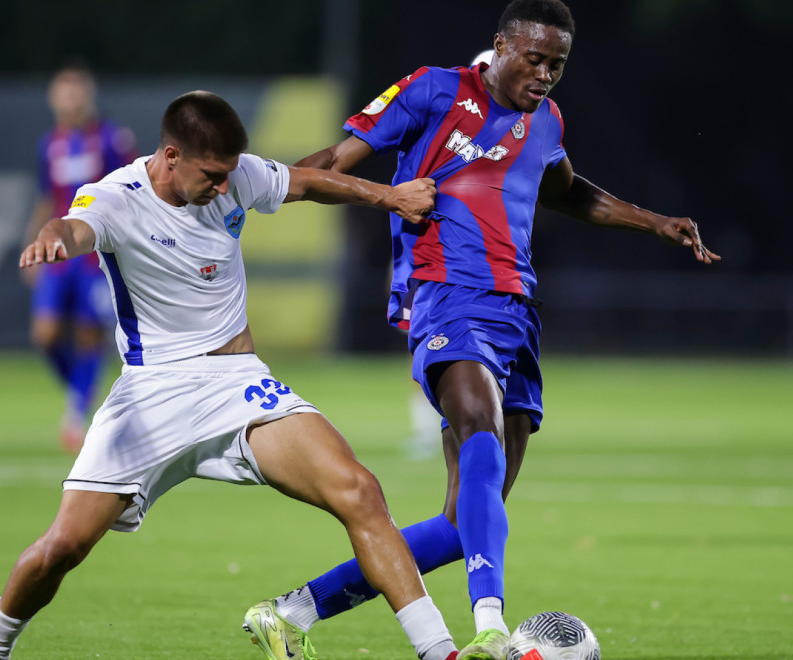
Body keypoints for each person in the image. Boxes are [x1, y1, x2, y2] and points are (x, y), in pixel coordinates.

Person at [248, 1, 721, 659]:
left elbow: (568, 192)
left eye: (557, 65)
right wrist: (270, 185)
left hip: (518, 315)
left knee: (463, 523)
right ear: (501, 46)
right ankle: (490, 625)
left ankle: (289, 611)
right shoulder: (434, 91)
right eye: (535, 59)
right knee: (480, 431)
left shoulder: (546, 121)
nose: (545, 74)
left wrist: (655, 222)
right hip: (447, 297)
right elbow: (338, 155)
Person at [0, 91, 460, 660]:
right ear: (172, 156)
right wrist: (55, 235)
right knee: (64, 547)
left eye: (230, 174)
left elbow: (307, 183)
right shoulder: (116, 197)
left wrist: (389, 196)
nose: (225, 187)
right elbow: (76, 226)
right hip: (151, 396)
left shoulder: (235, 175)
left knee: (360, 491)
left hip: (236, 385)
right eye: (212, 175)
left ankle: (439, 651)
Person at [22, 63, 138, 453]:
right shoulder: (49, 144)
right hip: (59, 253)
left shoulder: (111, 139)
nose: (70, 101)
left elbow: (132, 190)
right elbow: (47, 199)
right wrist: (33, 242)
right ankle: (80, 392)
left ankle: (76, 412)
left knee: (90, 334)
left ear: (89, 97)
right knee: (45, 335)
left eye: (76, 93)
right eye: (64, 93)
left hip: (93, 254)